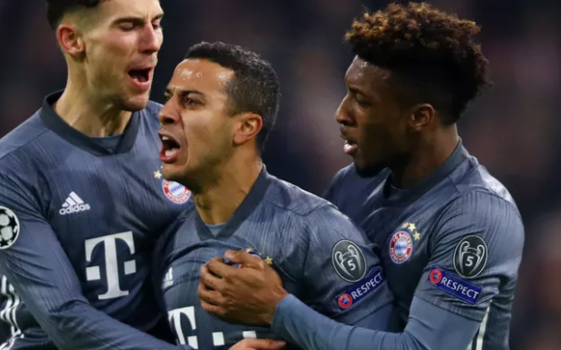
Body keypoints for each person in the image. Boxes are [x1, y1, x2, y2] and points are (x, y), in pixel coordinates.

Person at [0, 0, 277, 350]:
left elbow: (263, 240)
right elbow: (66, 320)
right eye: (128, 27)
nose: (152, 42)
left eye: (156, 23)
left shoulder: (191, 136)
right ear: (73, 40)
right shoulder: (8, 171)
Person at [197, 2, 525, 350]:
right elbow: (323, 316)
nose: (341, 113)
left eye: (362, 102)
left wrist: (277, 310)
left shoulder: (477, 214)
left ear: (419, 118)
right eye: (347, 93)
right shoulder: (351, 185)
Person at [154, 42, 393, 350]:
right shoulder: (168, 242)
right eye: (168, 98)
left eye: (190, 102)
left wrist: (279, 310)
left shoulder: (317, 230)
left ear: (245, 127)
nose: (165, 113)